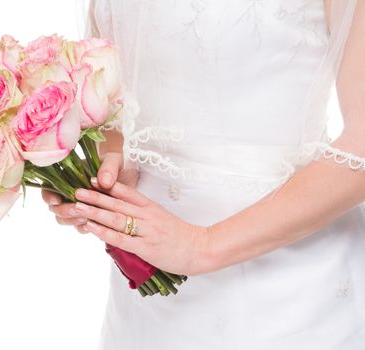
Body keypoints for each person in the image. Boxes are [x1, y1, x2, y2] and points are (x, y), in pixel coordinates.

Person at [44, 0, 365, 348]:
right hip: (146, 300)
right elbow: (117, 87)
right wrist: (113, 164)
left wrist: (201, 246)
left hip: (286, 299)